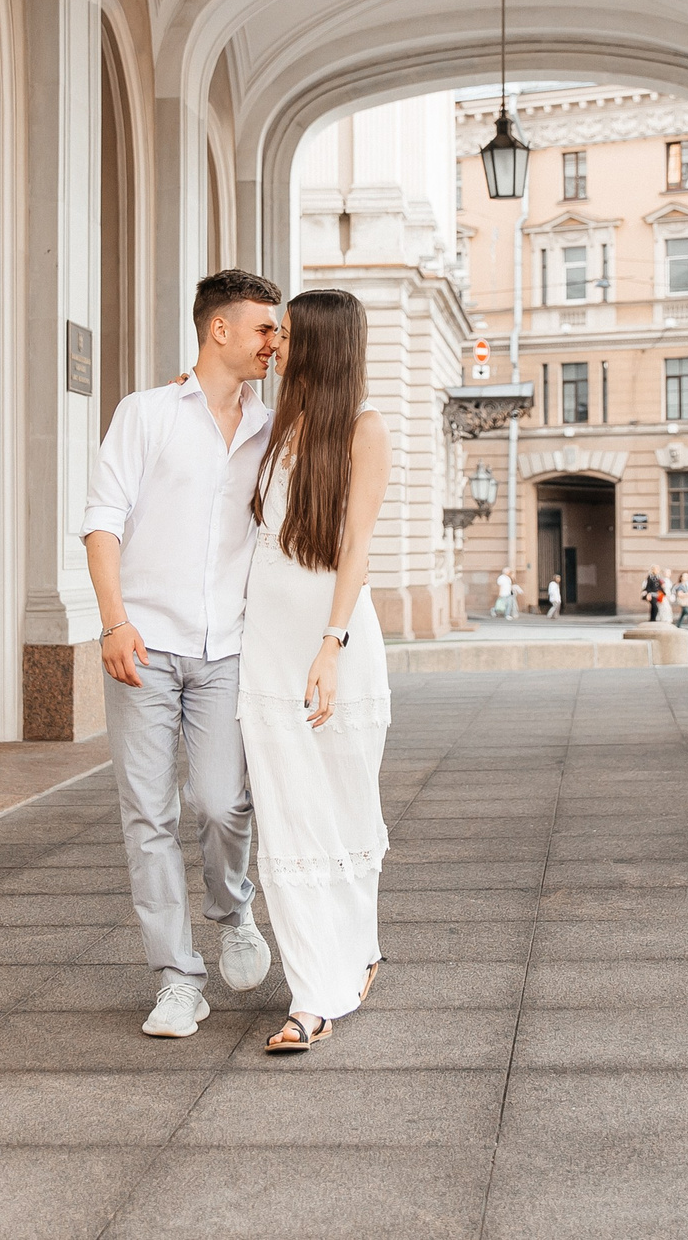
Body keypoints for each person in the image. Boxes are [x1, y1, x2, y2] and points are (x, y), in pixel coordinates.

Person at [81, 269, 285, 1038]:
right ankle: (176, 978)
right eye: (265, 327)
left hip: (229, 646)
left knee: (223, 798)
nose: (276, 342)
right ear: (219, 330)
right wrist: (113, 621)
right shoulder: (146, 414)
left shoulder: (275, 427)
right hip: (145, 642)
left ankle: (234, 908)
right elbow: (103, 521)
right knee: (148, 814)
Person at [239, 289, 392, 1055]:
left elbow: (355, 547)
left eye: (288, 334)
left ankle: (358, 951)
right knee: (289, 824)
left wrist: (330, 645)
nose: (274, 345)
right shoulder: (274, 429)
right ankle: (312, 995)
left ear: (322, 345)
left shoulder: (364, 431)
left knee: (345, 816)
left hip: (334, 644)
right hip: (265, 645)